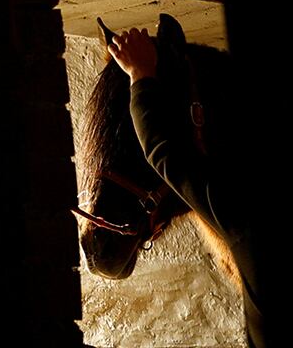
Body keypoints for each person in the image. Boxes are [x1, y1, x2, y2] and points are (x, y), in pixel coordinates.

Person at [109, 24, 264, 348]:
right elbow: (166, 156)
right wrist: (140, 74)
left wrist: (140, 74)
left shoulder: (247, 226)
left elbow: (167, 156)